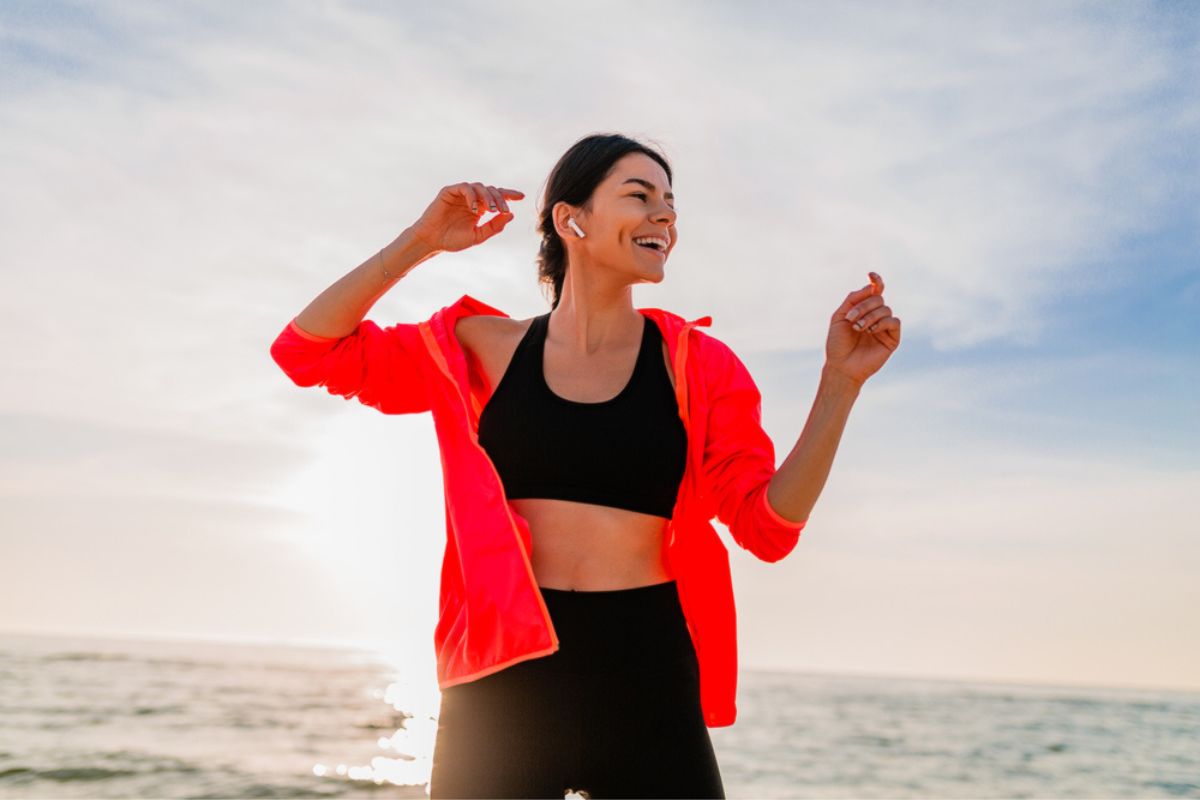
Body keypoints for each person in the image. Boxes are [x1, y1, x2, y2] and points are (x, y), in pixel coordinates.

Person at [269, 133, 901, 799]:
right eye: (640, 196)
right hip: (500, 679)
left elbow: (767, 527)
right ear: (572, 220)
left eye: (671, 204)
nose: (666, 217)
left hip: (646, 672)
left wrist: (840, 384)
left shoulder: (698, 366)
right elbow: (308, 351)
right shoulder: (477, 349)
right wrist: (422, 241)